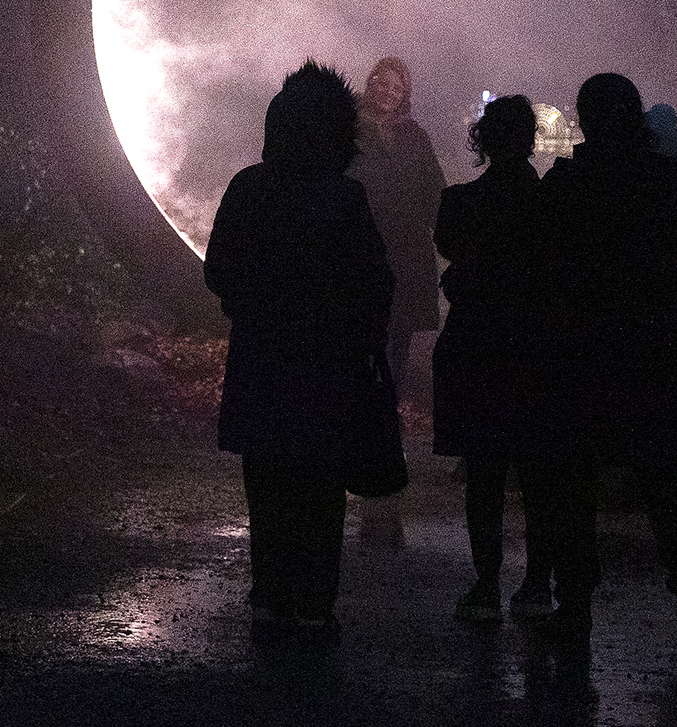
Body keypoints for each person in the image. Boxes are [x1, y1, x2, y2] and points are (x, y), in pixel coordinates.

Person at [527, 71, 677, 646]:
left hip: (582, 356)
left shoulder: (565, 184)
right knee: (668, 484)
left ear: (584, 119)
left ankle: (574, 605)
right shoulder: (660, 182)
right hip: (652, 354)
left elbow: (540, 263)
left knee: (574, 486)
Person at [205, 61, 398, 631]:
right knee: (320, 483)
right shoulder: (346, 197)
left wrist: (252, 299)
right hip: (329, 367)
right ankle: (315, 598)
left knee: (267, 479)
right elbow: (376, 283)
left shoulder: (250, 188)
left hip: (263, 359)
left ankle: (270, 587)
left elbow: (219, 271)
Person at [432, 94, 555, 622]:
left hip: (477, 346)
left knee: (484, 473)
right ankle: (536, 585)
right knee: (538, 473)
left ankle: (485, 585)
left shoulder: (459, 203)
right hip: (534, 351)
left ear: (483, 140)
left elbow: (455, 265)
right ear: (530, 140)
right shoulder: (550, 203)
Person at [347, 55, 448, 393]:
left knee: (397, 338)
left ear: (405, 93)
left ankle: (387, 412)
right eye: (383, 83)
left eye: (397, 87)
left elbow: (434, 189)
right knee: (357, 333)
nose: (389, 92)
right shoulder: (347, 129)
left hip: (404, 255)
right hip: (358, 249)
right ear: (370, 82)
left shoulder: (415, 138)